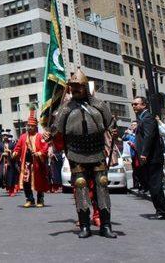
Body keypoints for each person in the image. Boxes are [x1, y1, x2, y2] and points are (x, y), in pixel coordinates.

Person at [43, 69, 116, 238]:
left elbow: (110, 123)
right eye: (72, 87)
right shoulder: (65, 108)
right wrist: (49, 135)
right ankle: (84, 225)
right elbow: (56, 129)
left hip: (97, 151)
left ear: (84, 87)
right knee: (81, 186)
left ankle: (106, 225)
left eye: (77, 86)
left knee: (102, 185)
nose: (74, 90)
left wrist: (114, 131)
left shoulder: (98, 105)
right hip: (76, 153)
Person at [132, 96, 165, 220]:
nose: (134, 106)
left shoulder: (148, 118)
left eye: (136, 104)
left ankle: (163, 211)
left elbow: (148, 137)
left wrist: (144, 154)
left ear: (144, 105)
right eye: (133, 104)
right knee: (152, 184)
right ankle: (161, 210)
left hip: (152, 158)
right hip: (148, 158)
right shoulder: (142, 118)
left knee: (155, 185)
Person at [12, 109, 49, 208]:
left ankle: (40, 199)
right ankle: (29, 199)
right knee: (26, 182)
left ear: (35, 126)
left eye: (31, 126)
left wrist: (38, 153)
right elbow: (18, 147)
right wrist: (15, 153)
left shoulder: (40, 136)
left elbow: (45, 149)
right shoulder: (23, 137)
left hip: (37, 164)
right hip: (26, 164)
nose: (29, 127)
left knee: (39, 181)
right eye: (28, 125)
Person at [0, 130, 18, 196]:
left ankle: (11, 190)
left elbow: (15, 151)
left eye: (6, 136)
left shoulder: (12, 144)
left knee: (11, 176)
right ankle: (5, 185)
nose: (5, 137)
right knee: (1, 175)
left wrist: (10, 151)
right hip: (3, 162)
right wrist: (2, 154)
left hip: (10, 162)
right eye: (4, 136)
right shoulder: (0, 144)